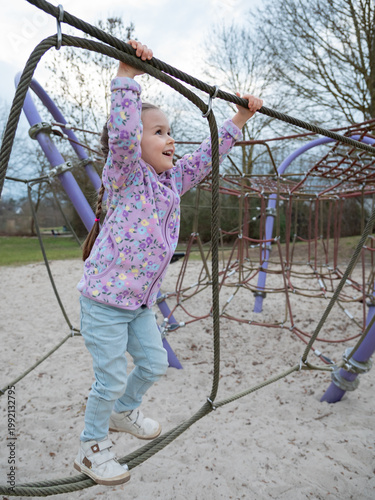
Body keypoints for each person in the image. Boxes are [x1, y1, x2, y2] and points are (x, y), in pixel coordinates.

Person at [74, 40, 263, 486]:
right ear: (133, 143)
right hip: (103, 303)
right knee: (109, 377)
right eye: (157, 132)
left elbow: (206, 158)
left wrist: (239, 119)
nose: (169, 138)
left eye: (169, 131)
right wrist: (126, 77)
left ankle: (124, 414)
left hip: (140, 304)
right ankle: (92, 446)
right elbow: (121, 138)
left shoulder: (170, 183)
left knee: (154, 364)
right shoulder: (125, 175)